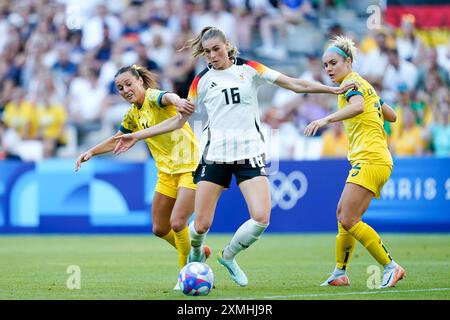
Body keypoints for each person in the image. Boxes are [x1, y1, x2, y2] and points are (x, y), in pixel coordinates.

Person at [114, 26, 355, 287]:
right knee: (202, 225)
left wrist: (332, 90)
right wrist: (137, 136)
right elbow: (177, 121)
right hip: (215, 156)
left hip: (249, 155)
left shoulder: (250, 69)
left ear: (227, 45)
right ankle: (195, 263)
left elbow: (294, 84)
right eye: (207, 52)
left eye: (216, 49)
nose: (212, 56)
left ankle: (228, 256)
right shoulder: (201, 81)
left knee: (261, 218)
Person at [74, 64, 210, 290]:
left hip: (191, 166)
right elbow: (118, 138)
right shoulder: (132, 115)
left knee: (178, 223)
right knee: (159, 228)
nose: (125, 90)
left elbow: (168, 97)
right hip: (166, 173)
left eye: (128, 84)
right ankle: (197, 252)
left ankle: (185, 273)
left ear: (140, 81)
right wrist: (91, 152)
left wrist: (177, 102)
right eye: (120, 88)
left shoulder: (152, 97)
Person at [304, 35, 405, 289]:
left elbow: (358, 107)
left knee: (348, 218)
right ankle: (339, 272)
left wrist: (325, 120)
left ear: (348, 62)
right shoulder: (363, 83)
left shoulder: (351, 82)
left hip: (370, 158)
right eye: (326, 64)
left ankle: (391, 267)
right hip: (377, 158)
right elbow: (391, 116)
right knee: (343, 216)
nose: (328, 69)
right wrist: (376, 101)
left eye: (334, 63)